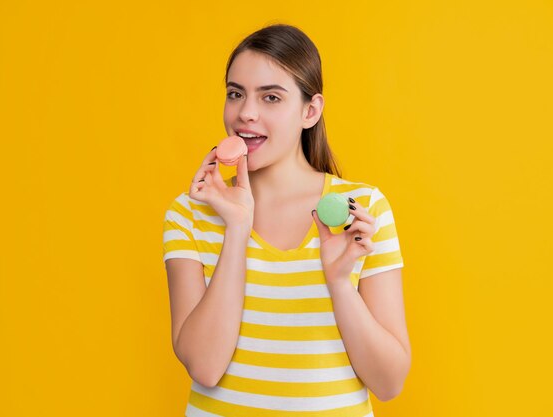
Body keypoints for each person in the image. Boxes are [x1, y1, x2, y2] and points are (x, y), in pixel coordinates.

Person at [162, 23, 411, 417]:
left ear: (310, 111)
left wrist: (339, 284)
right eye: (235, 94)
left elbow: (389, 382)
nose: (246, 113)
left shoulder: (360, 208)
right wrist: (237, 228)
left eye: (271, 97)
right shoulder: (190, 212)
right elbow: (205, 367)